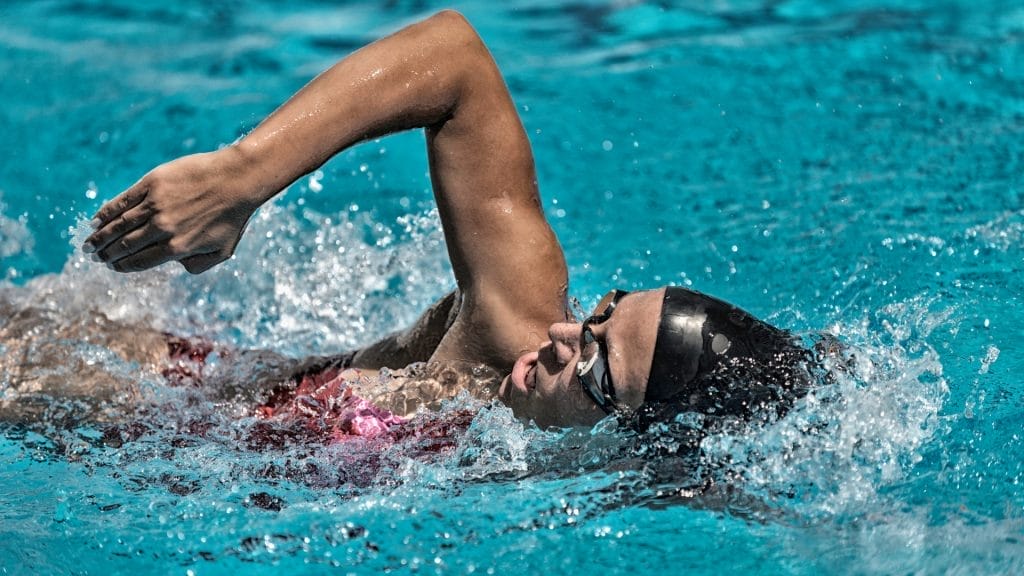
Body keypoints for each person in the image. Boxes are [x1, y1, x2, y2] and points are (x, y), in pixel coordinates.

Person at [81, 11, 812, 433]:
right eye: (601, 316)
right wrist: (239, 176)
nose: (564, 340)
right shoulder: (513, 329)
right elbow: (454, 59)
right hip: (133, 393)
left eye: (595, 370)